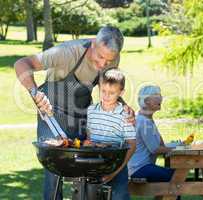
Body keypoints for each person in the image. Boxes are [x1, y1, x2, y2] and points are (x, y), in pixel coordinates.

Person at [14, 26, 135, 200]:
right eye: (100, 57)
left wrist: (123, 106)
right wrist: (36, 94)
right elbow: (22, 64)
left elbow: (108, 87)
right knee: (54, 168)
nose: (103, 64)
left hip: (83, 114)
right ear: (93, 43)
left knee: (94, 162)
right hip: (52, 113)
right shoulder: (67, 52)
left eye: (108, 61)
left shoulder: (111, 56)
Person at [86, 69, 136, 200]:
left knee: (118, 196)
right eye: (103, 91)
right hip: (94, 164)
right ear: (99, 88)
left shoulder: (125, 115)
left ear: (121, 92)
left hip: (116, 165)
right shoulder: (91, 111)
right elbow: (89, 137)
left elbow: (132, 145)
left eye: (112, 93)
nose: (106, 96)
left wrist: (115, 172)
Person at [128, 85, 174, 182]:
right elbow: (155, 149)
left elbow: (161, 144)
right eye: (156, 96)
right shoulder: (144, 122)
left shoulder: (145, 119)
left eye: (160, 95)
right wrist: (178, 148)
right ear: (146, 101)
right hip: (139, 169)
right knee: (176, 176)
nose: (161, 98)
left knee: (176, 175)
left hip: (140, 167)